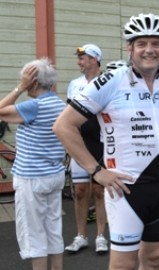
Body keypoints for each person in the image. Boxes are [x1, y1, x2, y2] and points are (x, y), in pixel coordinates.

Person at [53, 13, 159, 269]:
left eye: (156, 43)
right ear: (129, 47)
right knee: (123, 264)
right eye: (141, 43)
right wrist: (96, 171)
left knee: (154, 260)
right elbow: (64, 126)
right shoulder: (111, 80)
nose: (149, 50)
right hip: (125, 190)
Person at [0, 58, 66, 269]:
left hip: (32, 178)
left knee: (34, 233)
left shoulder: (34, 106)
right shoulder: (60, 104)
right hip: (54, 174)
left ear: (33, 82)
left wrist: (20, 87)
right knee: (53, 229)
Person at [64, 44, 108, 255]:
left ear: (94, 59)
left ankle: (101, 236)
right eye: (79, 58)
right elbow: (68, 115)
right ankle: (81, 235)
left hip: (102, 143)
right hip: (79, 143)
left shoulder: (107, 81)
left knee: (100, 191)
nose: (79, 62)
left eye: (83, 58)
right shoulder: (74, 84)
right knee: (80, 192)